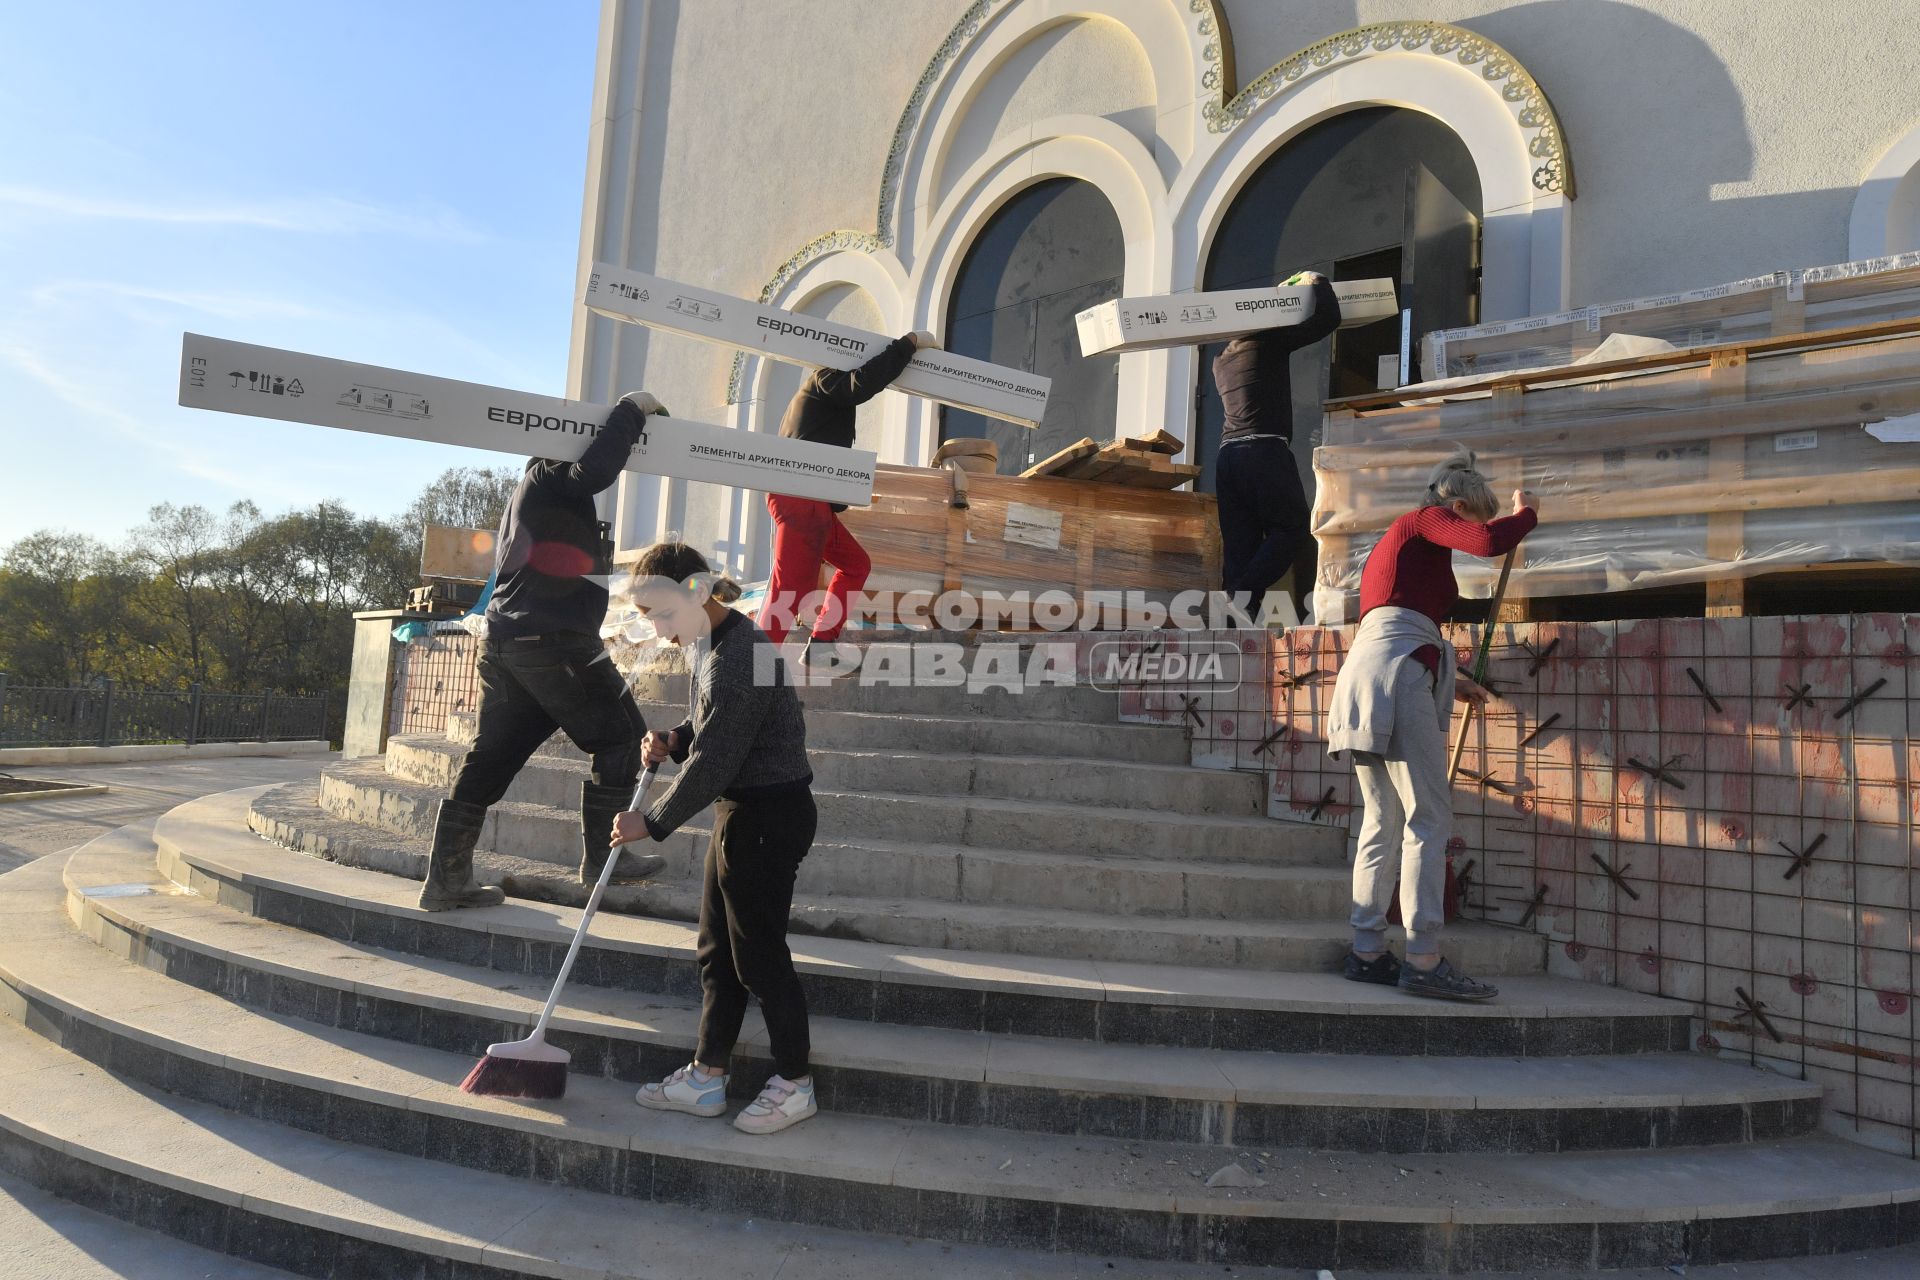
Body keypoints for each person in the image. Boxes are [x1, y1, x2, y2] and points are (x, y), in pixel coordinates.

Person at [416, 391, 666, 911]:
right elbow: (594, 471)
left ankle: (446, 881)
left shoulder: (529, 495)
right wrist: (632, 409)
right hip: (552, 643)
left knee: (492, 758)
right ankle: (603, 860)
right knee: (622, 738)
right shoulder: (548, 475)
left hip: (513, 643)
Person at [611, 542, 820, 1135]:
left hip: (768, 818)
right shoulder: (712, 643)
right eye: (651, 616)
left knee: (757, 955)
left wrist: (649, 823)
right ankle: (707, 1075)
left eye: (662, 613)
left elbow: (716, 762)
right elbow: (709, 732)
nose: (657, 628)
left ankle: (796, 1083)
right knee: (717, 951)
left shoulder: (740, 656)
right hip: (742, 815)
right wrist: (675, 737)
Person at [1326, 450, 1539, 1000]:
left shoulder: (1401, 549)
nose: (1465, 532)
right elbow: (1491, 543)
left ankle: (1367, 950)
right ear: (1459, 505)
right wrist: (1525, 514)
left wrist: (1454, 673)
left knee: (1383, 820)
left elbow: (1400, 623)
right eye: (1470, 518)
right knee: (1428, 817)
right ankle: (1423, 957)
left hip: (1368, 677)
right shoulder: (1422, 519)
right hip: (1397, 678)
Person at [763, 328, 937, 667]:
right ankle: (749, 662)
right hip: (802, 498)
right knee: (789, 590)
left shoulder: (822, 391)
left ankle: (822, 643)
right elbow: (863, 383)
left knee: (856, 565)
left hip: (812, 502)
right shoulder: (823, 379)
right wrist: (907, 345)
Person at [1210, 271, 1342, 620]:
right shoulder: (1266, 342)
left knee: (1241, 550)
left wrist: (1281, 299)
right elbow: (1328, 318)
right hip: (1262, 451)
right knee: (1292, 528)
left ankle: (1233, 624)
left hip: (1228, 457)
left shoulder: (1221, 359)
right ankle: (1238, 598)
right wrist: (1316, 282)